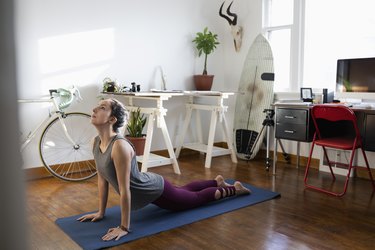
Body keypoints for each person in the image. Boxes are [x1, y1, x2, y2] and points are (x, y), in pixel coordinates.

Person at [77, 98, 251, 241]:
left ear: (112, 119)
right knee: (183, 191)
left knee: (194, 199)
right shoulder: (96, 142)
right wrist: (101, 212)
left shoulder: (119, 146)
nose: (94, 108)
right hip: (148, 183)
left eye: (102, 107)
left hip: (153, 189)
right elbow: (102, 179)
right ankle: (215, 181)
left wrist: (124, 227)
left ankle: (233, 189)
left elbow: (125, 189)